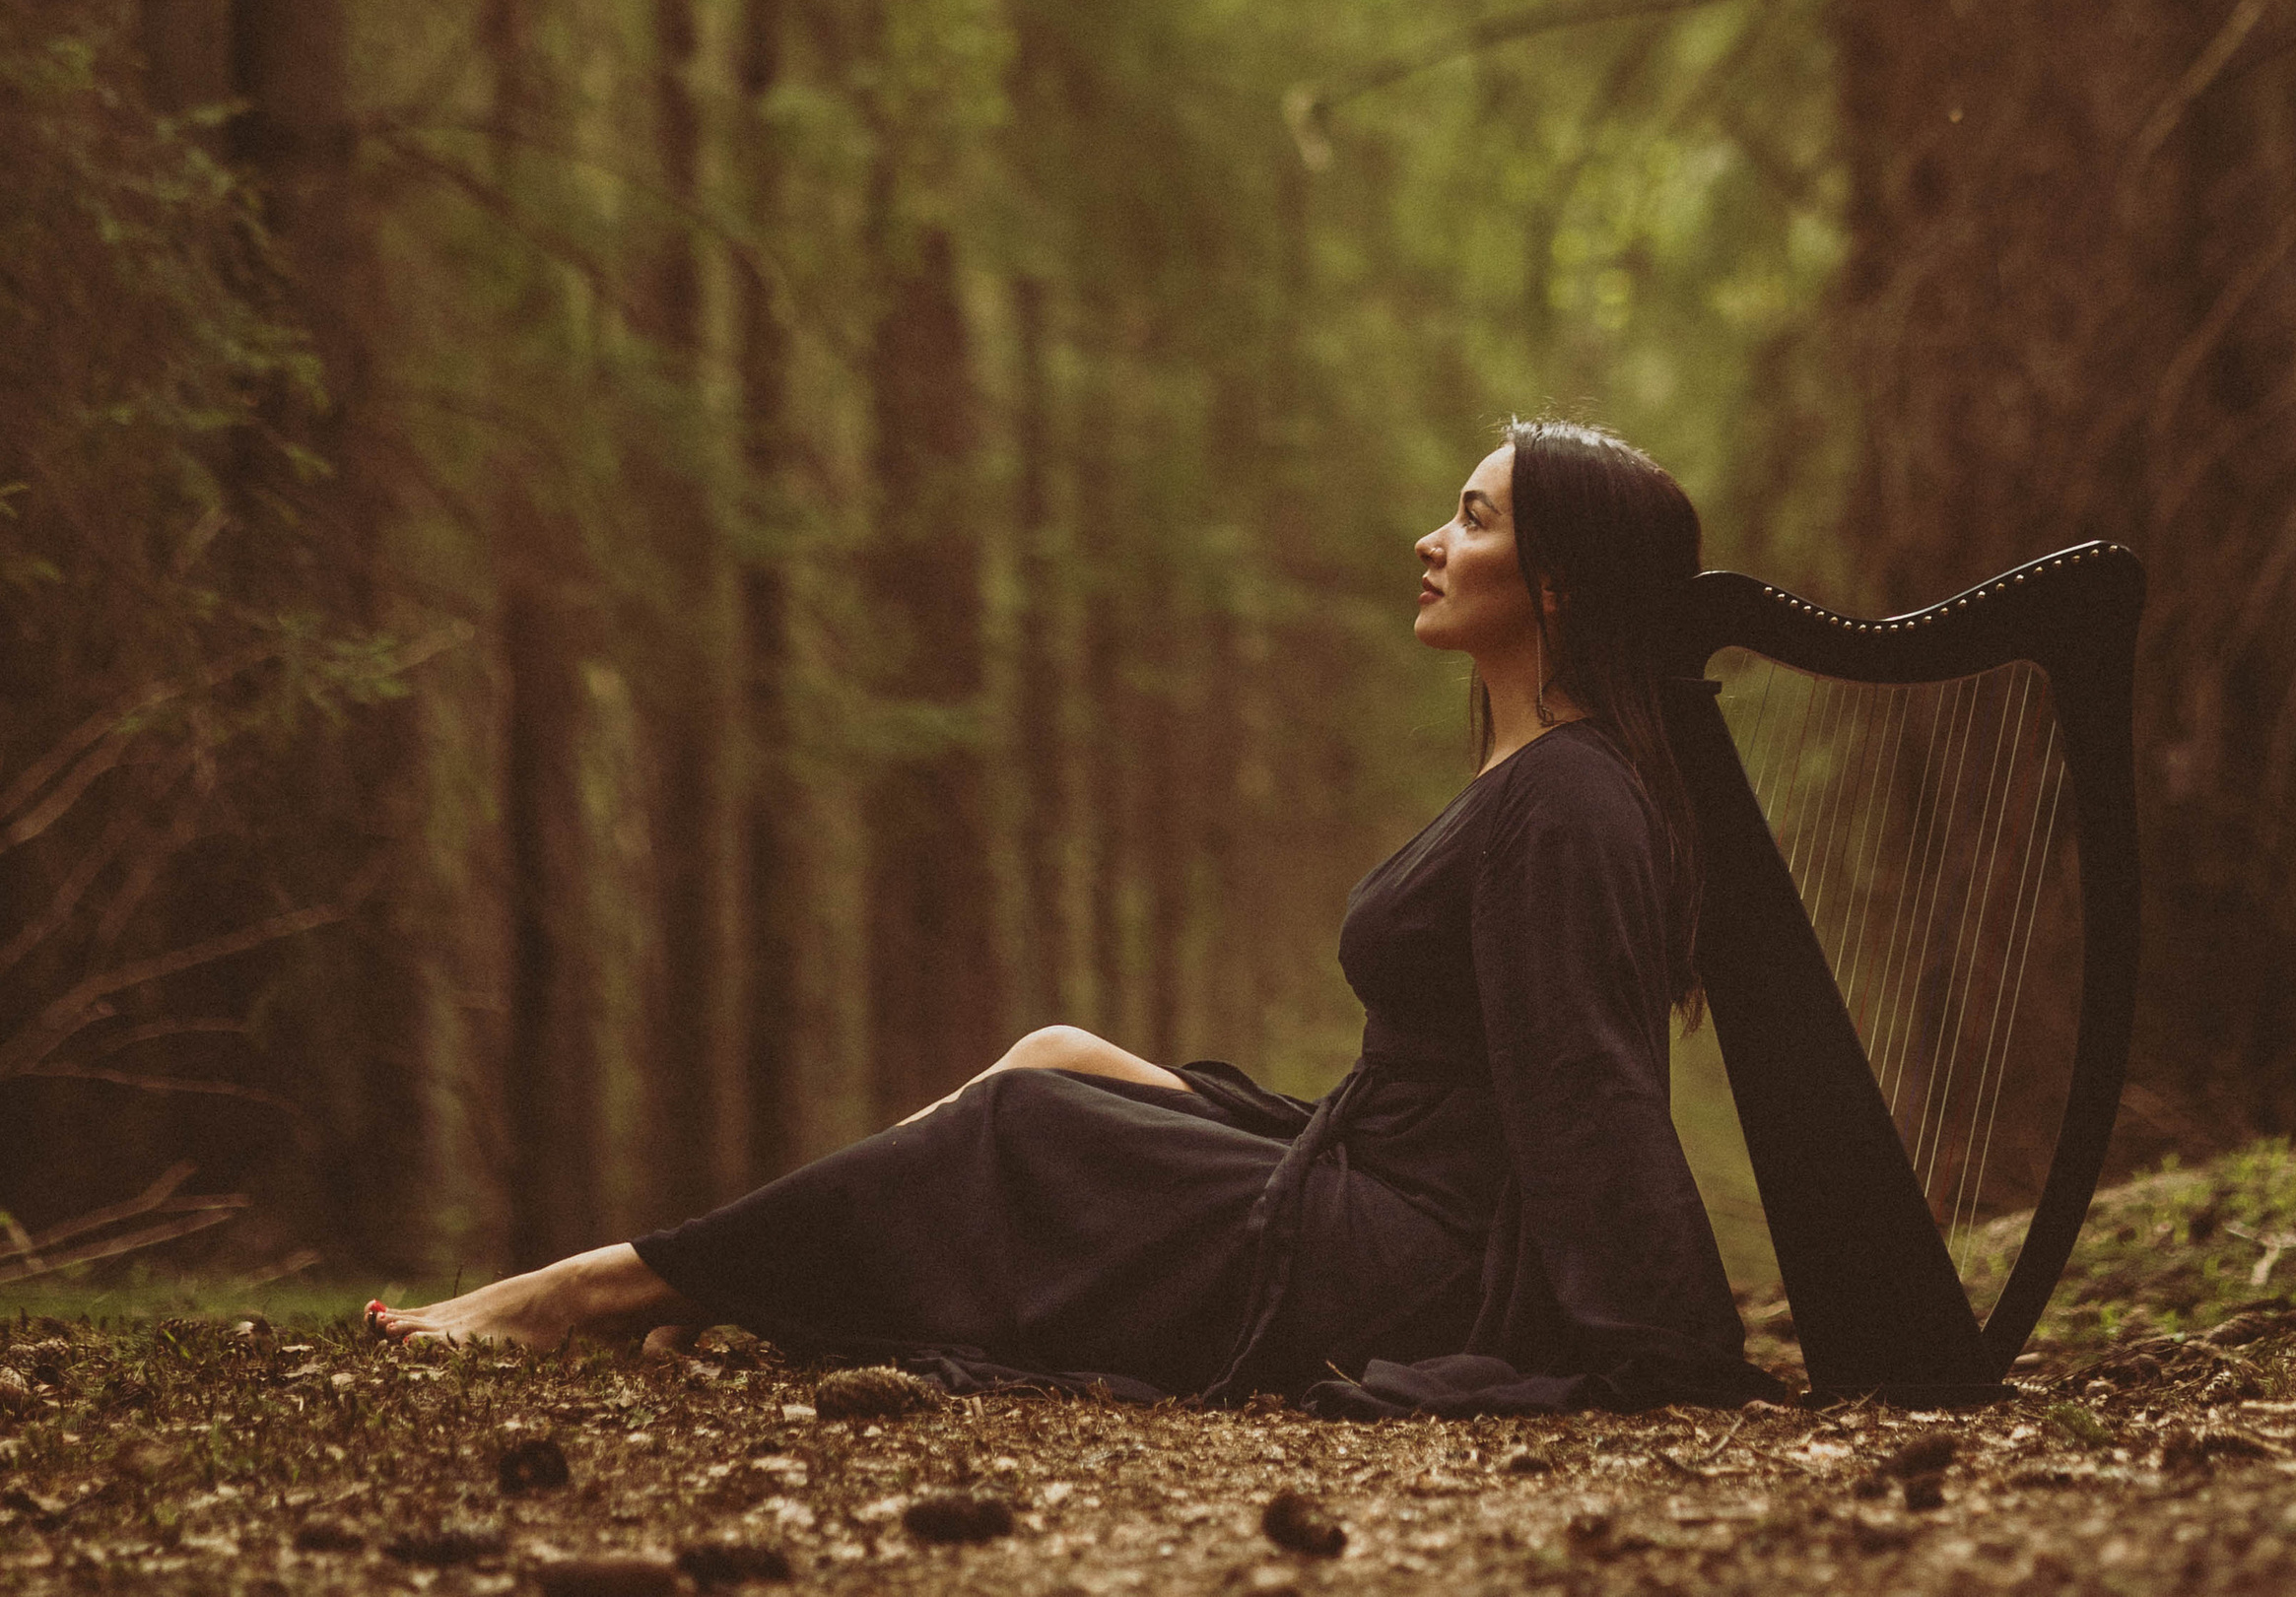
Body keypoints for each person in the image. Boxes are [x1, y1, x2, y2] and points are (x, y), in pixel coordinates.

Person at [371, 418, 1765, 1416]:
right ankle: (774, 1272)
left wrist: (1649, 1328)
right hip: (1379, 1174)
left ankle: (605, 1292)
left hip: (1423, 1257)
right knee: (1056, 1056)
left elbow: (1587, 1082)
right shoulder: (1531, 773)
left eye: (1473, 517)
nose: (1428, 536)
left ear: (1559, 582)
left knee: (1026, 1131)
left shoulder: (1573, 802)